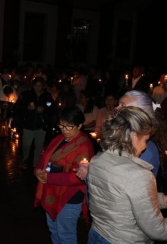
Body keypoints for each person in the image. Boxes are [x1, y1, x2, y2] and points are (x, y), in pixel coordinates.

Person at [87, 106, 167, 244]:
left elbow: (118, 199)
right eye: (145, 140)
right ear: (134, 136)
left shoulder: (97, 160)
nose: (145, 147)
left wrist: (163, 200)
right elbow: (156, 229)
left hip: (97, 235)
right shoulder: (138, 175)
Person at [34, 106, 94, 244]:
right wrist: (37, 170)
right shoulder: (58, 139)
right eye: (61, 125)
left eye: (69, 126)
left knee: (65, 235)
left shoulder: (84, 146)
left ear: (79, 125)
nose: (64, 129)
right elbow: (44, 158)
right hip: (51, 191)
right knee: (54, 230)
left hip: (69, 197)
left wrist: (48, 177)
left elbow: (76, 177)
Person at [19, 77, 55, 167]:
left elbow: (53, 109)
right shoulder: (28, 95)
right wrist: (27, 107)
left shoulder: (47, 96)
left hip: (41, 125)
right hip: (28, 124)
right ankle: (25, 159)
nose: (37, 88)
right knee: (26, 144)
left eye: (39, 86)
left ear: (43, 86)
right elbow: (19, 106)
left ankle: (36, 163)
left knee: (39, 146)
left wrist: (44, 108)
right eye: (36, 86)